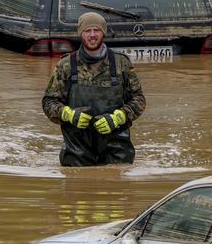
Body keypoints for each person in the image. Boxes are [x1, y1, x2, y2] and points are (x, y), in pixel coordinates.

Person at [42, 12, 146, 167]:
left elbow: (139, 100)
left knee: (118, 178)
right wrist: (67, 114)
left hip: (116, 150)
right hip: (77, 151)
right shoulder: (66, 65)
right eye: (87, 30)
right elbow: (48, 101)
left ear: (103, 32)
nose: (92, 35)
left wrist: (120, 117)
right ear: (81, 33)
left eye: (96, 30)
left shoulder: (121, 63)